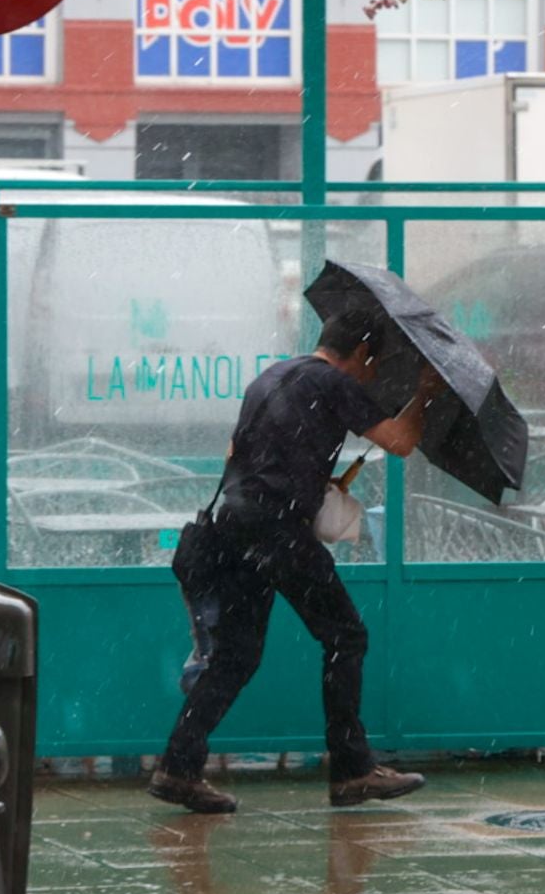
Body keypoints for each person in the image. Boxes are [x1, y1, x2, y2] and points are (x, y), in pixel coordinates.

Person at [150, 309, 444, 815]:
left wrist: (306, 479)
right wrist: (428, 391)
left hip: (233, 525)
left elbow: (236, 453)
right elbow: (401, 442)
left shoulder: (270, 377)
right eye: (372, 363)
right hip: (275, 528)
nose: (372, 373)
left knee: (236, 656)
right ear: (361, 354)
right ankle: (353, 770)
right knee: (345, 636)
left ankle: (178, 766)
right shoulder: (334, 382)